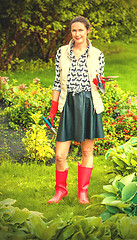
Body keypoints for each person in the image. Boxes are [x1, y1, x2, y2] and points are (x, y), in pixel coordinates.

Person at [47, 16, 105, 205]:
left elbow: (101, 86)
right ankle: (61, 190)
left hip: (88, 104)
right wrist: (53, 112)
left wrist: (101, 83)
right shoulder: (62, 52)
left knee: (87, 152)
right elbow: (57, 82)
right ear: (71, 32)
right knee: (59, 155)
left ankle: (82, 193)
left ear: (88, 30)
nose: (77, 34)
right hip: (68, 104)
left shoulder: (98, 54)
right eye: (74, 30)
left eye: (81, 30)